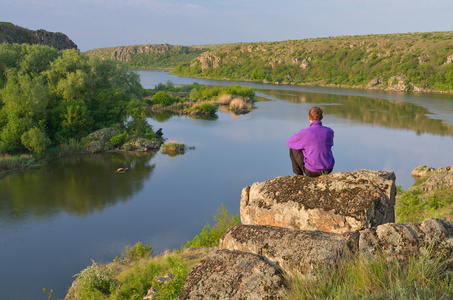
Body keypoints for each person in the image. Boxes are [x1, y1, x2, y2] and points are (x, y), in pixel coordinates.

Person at [287, 106, 334, 177]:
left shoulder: (305, 132)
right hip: (328, 169)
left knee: (294, 147)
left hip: (312, 171)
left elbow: (289, 142)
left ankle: (299, 175)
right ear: (322, 117)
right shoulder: (329, 131)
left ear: (309, 117)